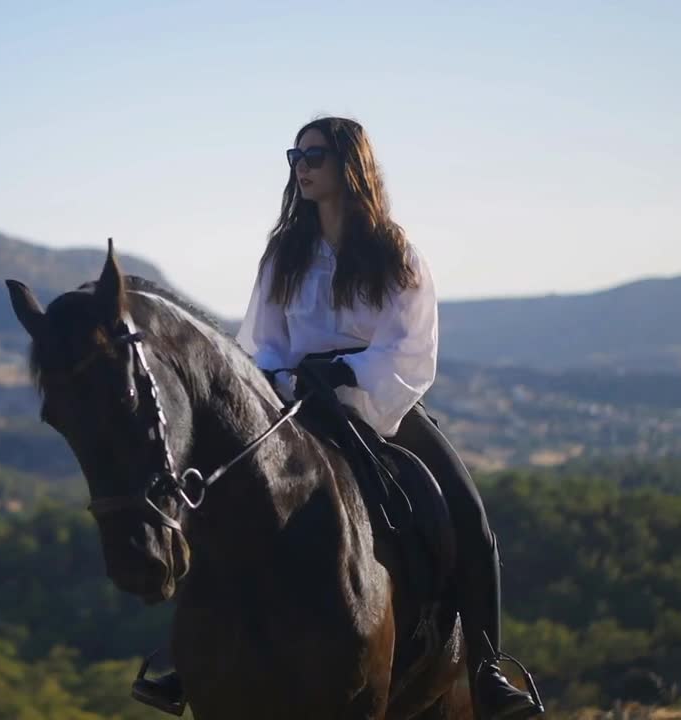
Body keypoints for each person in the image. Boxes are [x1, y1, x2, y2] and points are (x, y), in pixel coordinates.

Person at [132, 116, 544, 719]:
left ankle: (486, 675)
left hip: (379, 406)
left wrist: (349, 375)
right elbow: (264, 340)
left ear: (351, 163)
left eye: (315, 154)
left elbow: (409, 344)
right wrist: (279, 379)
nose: (301, 164)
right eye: (295, 154)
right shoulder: (284, 254)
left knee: (471, 520)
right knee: (215, 499)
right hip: (290, 404)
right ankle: (187, 657)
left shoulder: (393, 251)